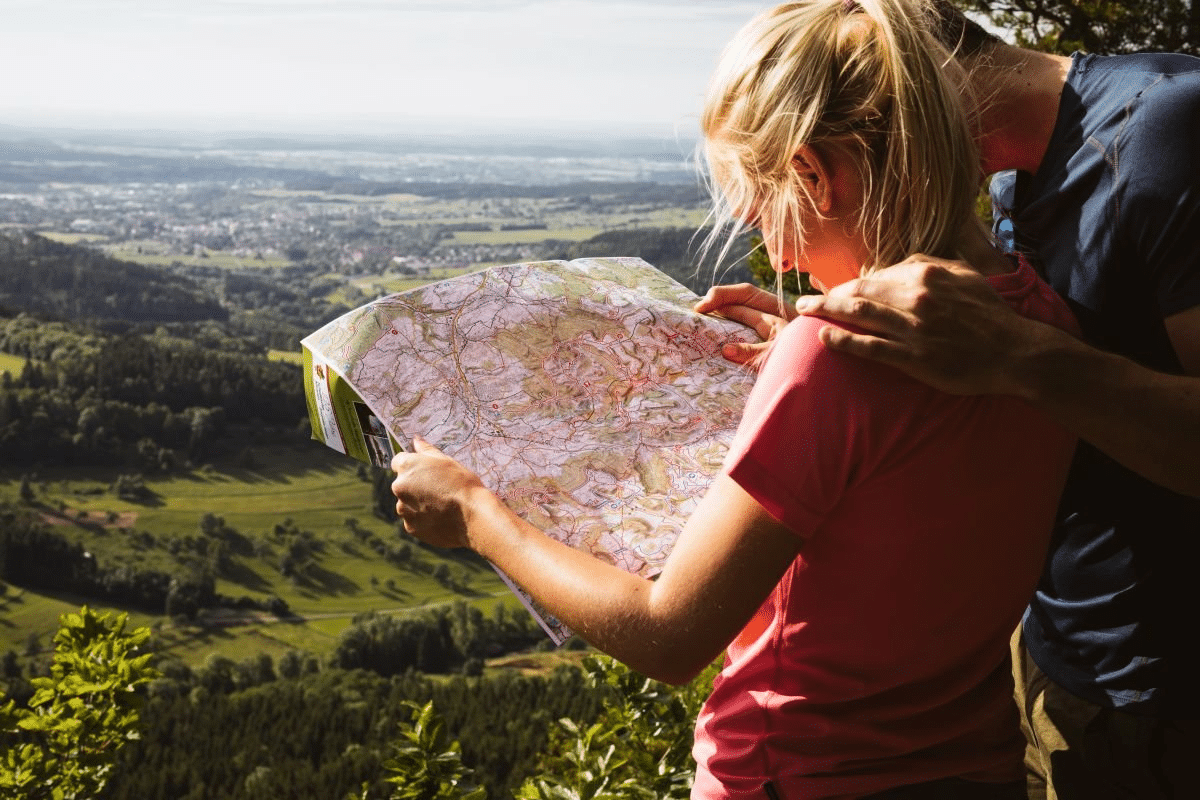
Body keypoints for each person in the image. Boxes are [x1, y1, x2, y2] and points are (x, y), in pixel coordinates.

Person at [392, 1, 1078, 797]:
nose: (765, 240)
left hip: (791, 773)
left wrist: (477, 513)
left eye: (754, 203)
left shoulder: (832, 364)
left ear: (814, 175)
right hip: (974, 769)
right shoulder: (1040, 321)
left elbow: (669, 635)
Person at [695, 2, 1200, 798]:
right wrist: (837, 331)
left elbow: (1029, 359)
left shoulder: (1167, 129)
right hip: (1032, 671)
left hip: (1162, 693)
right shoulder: (1014, 179)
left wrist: (1025, 359)